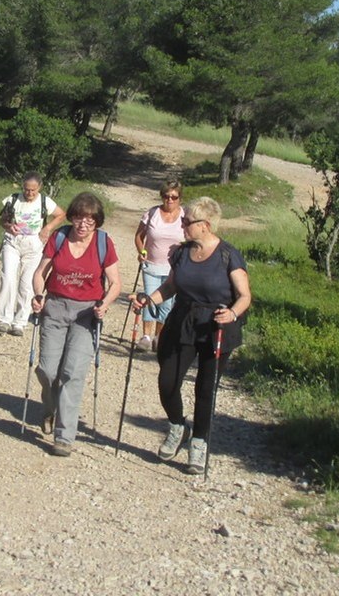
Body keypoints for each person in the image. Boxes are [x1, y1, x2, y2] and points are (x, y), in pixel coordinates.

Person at [131, 197, 251, 474]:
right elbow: (172, 286)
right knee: (167, 381)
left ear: (205, 226)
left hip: (216, 326)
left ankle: (199, 442)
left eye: (187, 222)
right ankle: (177, 426)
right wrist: (149, 300)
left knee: (205, 388)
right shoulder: (182, 253)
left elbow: (244, 296)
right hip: (183, 320)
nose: (182, 225)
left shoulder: (228, 255)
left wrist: (232, 313)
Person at [30, 192, 122, 456]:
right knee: (48, 371)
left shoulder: (104, 243)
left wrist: (104, 304)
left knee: (72, 373)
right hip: (55, 307)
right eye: (80, 218)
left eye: (90, 220)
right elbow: (40, 273)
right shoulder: (59, 238)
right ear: (72, 217)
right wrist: (39, 295)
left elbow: (115, 283)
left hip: (86, 314)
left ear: (97, 222)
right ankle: (49, 409)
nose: (84, 224)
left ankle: (64, 436)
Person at [0, 172, 66, 336]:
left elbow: (61, 214)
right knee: (8, 277)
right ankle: (4, 319)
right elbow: (3, 219)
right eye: (27, 190)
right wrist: (8, 226)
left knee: (27, 283)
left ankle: (19, 322)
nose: (30, 193)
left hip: (34, 243)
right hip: (12, 241)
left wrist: (47, 228)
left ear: (39, 188)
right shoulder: (13, 199)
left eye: (33, 190)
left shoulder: (44, 201)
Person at [132, 179, 185, 351]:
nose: (169, 200)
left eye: (174, 197)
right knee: (149, 297)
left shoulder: (185, 217)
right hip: (151, 265)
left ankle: (159, 337)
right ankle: (146, 336)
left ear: (180, 198)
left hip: (174, 269)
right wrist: (142, 251)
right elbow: (139, 236)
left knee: (166, 304)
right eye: (166, 196)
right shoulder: (152, 213)